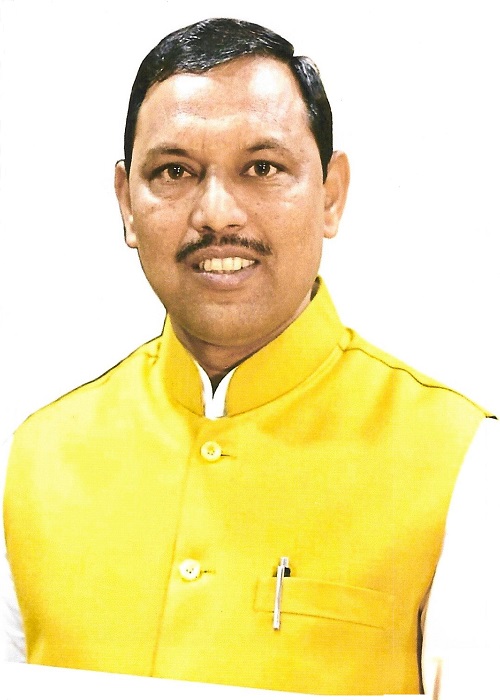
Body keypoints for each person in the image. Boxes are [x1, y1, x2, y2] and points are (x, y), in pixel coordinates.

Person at [2, 17, 498, 698]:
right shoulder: (33, 461)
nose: (217, 213)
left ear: (331, 194)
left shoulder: (463, 465)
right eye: (174, 171)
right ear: (126, 203)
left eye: (262, 168)